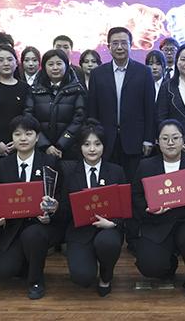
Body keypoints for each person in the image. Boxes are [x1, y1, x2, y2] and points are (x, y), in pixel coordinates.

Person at [132, 120, 185, 300]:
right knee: (150, 266)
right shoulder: (146, 166)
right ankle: (169, 265)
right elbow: (136, 195)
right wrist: (148, 209)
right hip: (157, 222)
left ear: (183, 140)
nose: (170, 143)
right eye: (165, 138)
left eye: (175, 138)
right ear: (157, 141)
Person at [0, 115, 62, 300]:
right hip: (14, 227)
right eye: (17, 134)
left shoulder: (49, 162)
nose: (23, 139)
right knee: (3, 270)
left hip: (41, 225)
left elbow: (59, 196)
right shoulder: (2, 165)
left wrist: (52, 212)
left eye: (28, 134)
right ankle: (27, 263)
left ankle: (36, 281)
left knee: (33, 235)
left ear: (37, 137)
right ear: (12, 138)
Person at [58, 120, 127, 297]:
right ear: (80, 147)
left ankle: (106, 275)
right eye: (87, 144)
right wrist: (55, 207)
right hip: (79, 231)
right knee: (82, 278)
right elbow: (64, 209)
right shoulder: (69, 172)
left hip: (108, 229)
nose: (92, 149)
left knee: (108, 243)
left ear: (104, 146)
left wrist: (113, 223)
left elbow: (125, 207)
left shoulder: (117, 171)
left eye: (97, 144)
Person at [87, 27, 156, 180]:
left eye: (124, 43)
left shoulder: (144, 72)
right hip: (105, 140)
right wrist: (93, 138)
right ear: (108, 46)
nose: (119, 47)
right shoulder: (97, 74)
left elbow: (150, 109)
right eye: (115, 43)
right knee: (108, 183)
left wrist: (148, 139)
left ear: (131, 45)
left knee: (133, 183)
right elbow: (93, 110)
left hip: (135, 140)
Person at [26, 49, 86, 161]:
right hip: (40, 149)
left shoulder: (77, 89)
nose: (55, 68)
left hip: (69, 149)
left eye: (59, 64)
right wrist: (45, 145)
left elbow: (79, 120)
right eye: (50, 64)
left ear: (66, 65)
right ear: (44, 67)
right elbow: (29, 117)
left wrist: (61, 144)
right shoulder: (34, 89)